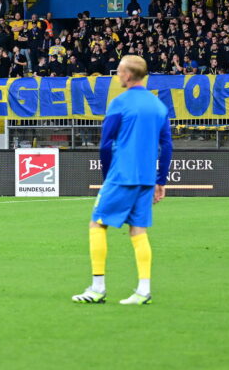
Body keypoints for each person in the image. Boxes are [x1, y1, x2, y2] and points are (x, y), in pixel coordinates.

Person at [74, 55, 171, 307]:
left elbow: (105, 143)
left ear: (128, 75)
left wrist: (107, 177)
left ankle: (97, 288)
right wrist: (161, 180)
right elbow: (167, 145)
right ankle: (144, 290)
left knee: (97, 224)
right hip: (146, 178)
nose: (117, 75)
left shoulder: (119, 103)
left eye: (118, 71)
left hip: (122, 175)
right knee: (138, 231)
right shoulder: (159, 106)